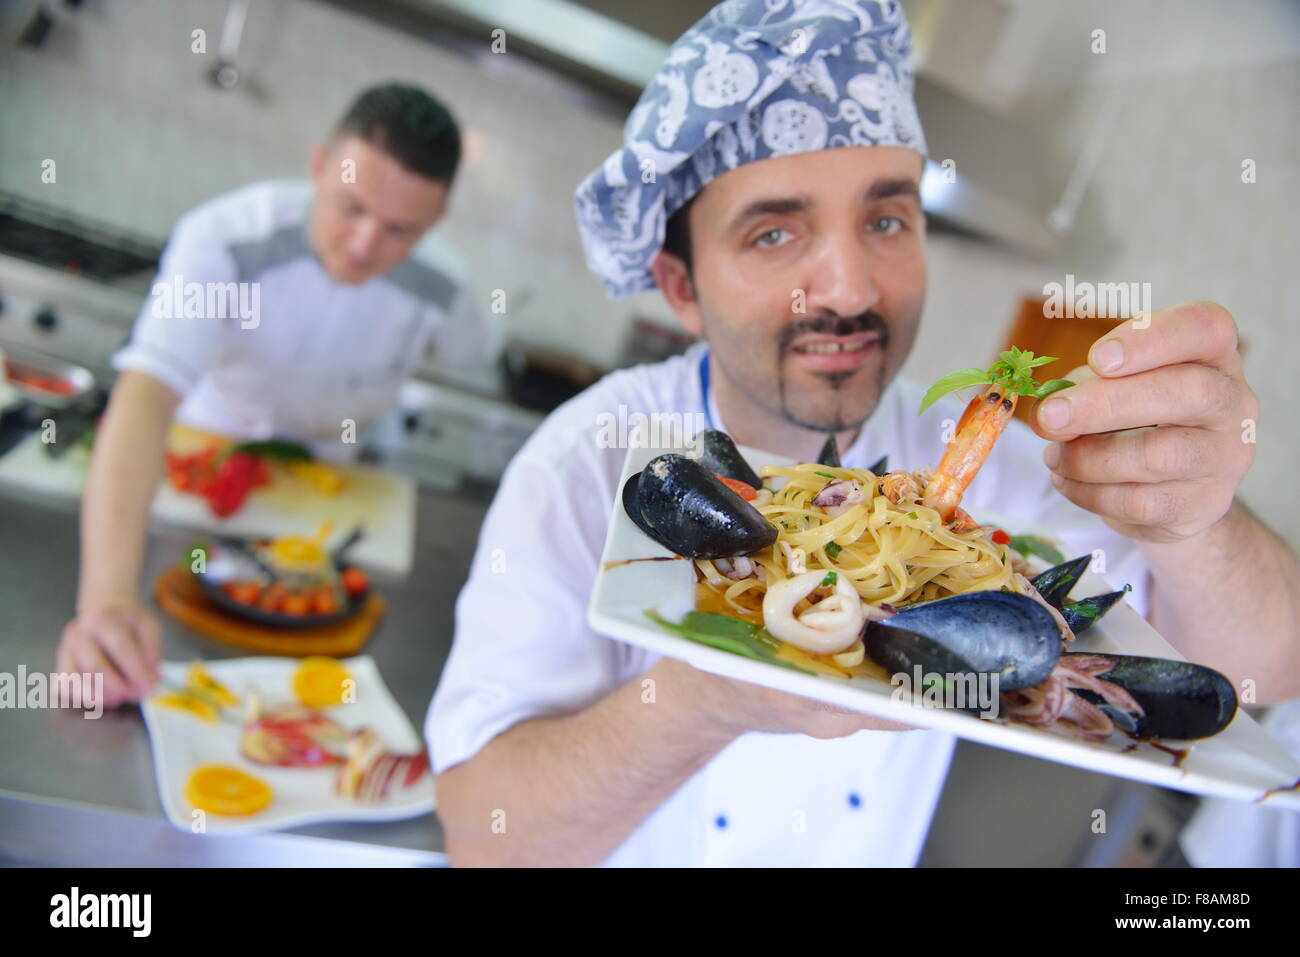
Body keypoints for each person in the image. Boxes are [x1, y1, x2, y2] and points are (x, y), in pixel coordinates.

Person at [428, 1, 1299, 866]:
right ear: (681, 287)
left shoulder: (981, 456)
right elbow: (483, 837)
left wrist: (1197, 518)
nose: (847, 288)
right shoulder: (589, 457)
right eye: (774, 232)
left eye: (886, 219)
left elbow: (1265, 675)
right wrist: (710, 698)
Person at [58, 83, 492, 707]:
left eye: (401, 230)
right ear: (318, 167)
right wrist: (106, 601)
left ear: (437, 221)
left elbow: (470, 360)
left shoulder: (446, 289)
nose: (366, 246)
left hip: (331, 494)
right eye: (350, 208)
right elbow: (146, 394)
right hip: (202, 470)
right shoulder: (225, 238)